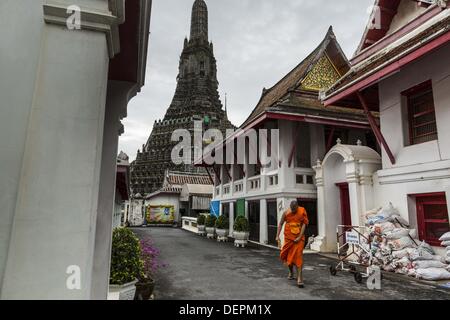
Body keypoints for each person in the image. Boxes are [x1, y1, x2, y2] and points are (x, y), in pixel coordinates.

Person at [276, 200, 309, 288]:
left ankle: (300, 278)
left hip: (299, 238)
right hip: (288, 238)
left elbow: (304, 224)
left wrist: (299, 237)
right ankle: (291, 272)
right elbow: (280, 224)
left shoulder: (302, 211)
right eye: (292, 209)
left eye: (295, 209)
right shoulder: (286, 213)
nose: (293, 211)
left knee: (298, 256)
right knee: (287, 256)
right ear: (290, 207)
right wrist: (277, 235)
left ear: (297, 206)